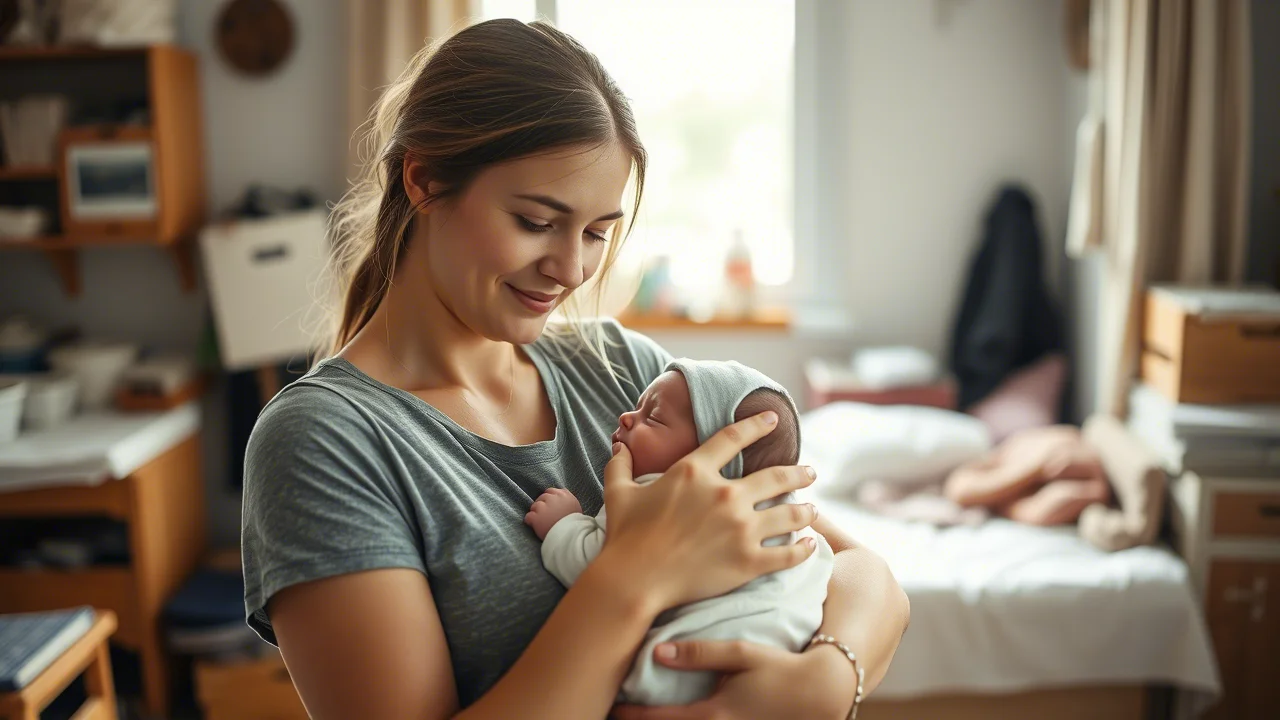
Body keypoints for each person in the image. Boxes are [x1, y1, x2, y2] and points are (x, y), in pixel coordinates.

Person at [240, 18, 909, 720]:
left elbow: (862, 573)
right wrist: (633, 575)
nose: (571, 269)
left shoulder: (629, 372)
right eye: (535, 222)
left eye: (596, 233)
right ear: (425, 179)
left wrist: (831, 678)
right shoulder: (324, 441)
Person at [526, 359, 835, 706]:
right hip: (783, 650)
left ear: (716, 459)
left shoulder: (657, 497)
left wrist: (565, 524)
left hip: (686, 675)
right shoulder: (785, 519)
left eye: (653, 417)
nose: (626, 417)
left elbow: (592, 564)